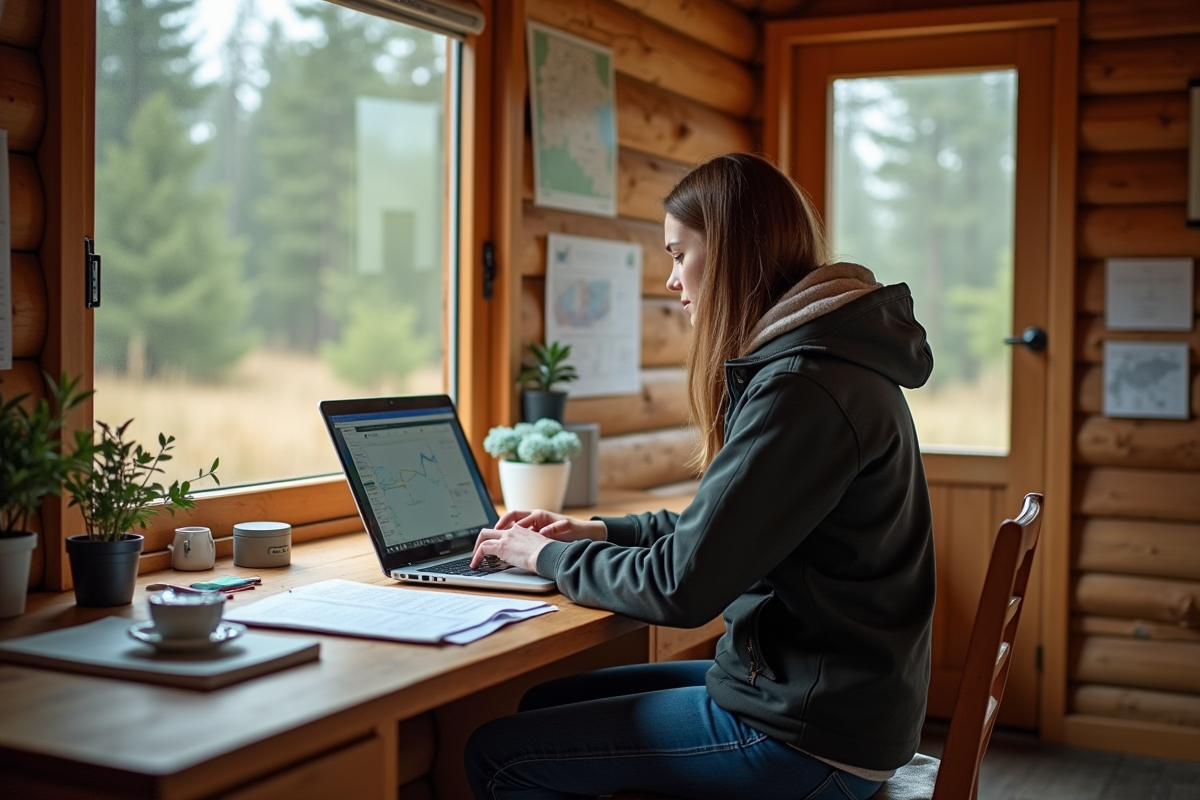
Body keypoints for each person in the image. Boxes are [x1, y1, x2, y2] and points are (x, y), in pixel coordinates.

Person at [465, 153, 936, 800]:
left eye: (679, 253)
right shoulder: (824, 364)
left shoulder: (802, 389)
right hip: (831, 700)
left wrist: (544, 556)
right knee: (547, 700)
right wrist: (595, 531)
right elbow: (716, 533)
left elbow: (681, 587)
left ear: (735, 254)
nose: (670, 279)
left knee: (498, 755)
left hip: (808, 733)